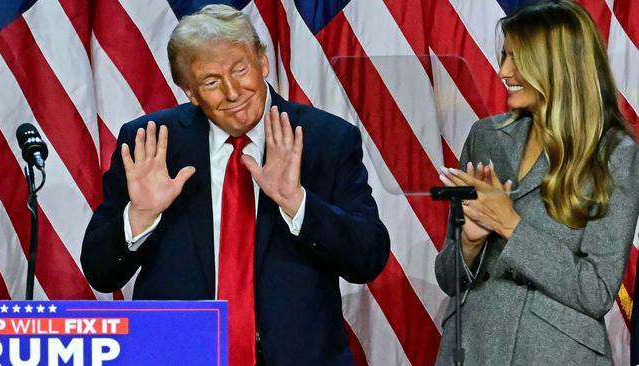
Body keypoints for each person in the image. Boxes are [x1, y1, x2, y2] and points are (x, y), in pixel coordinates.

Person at [80, 4, 390, 366]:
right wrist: (141, 215)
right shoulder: (151, 145)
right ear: (190, 92)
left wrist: (297, 202)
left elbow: (368, 258)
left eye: (240, 69)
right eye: (210, 81)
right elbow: (101, 271)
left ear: (262, 62)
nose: (232, 91)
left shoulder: (326, 139)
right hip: (180, 355)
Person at [434, 1, 639, 365]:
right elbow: (449, 278)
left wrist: (510, 225)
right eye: (504, 56)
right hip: (471, 348)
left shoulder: (613, 155)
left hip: (554, 354)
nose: (503, 71)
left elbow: (596, 291)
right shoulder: (486, 136)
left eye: (517, 58)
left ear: (559, 66)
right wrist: (468, 245)